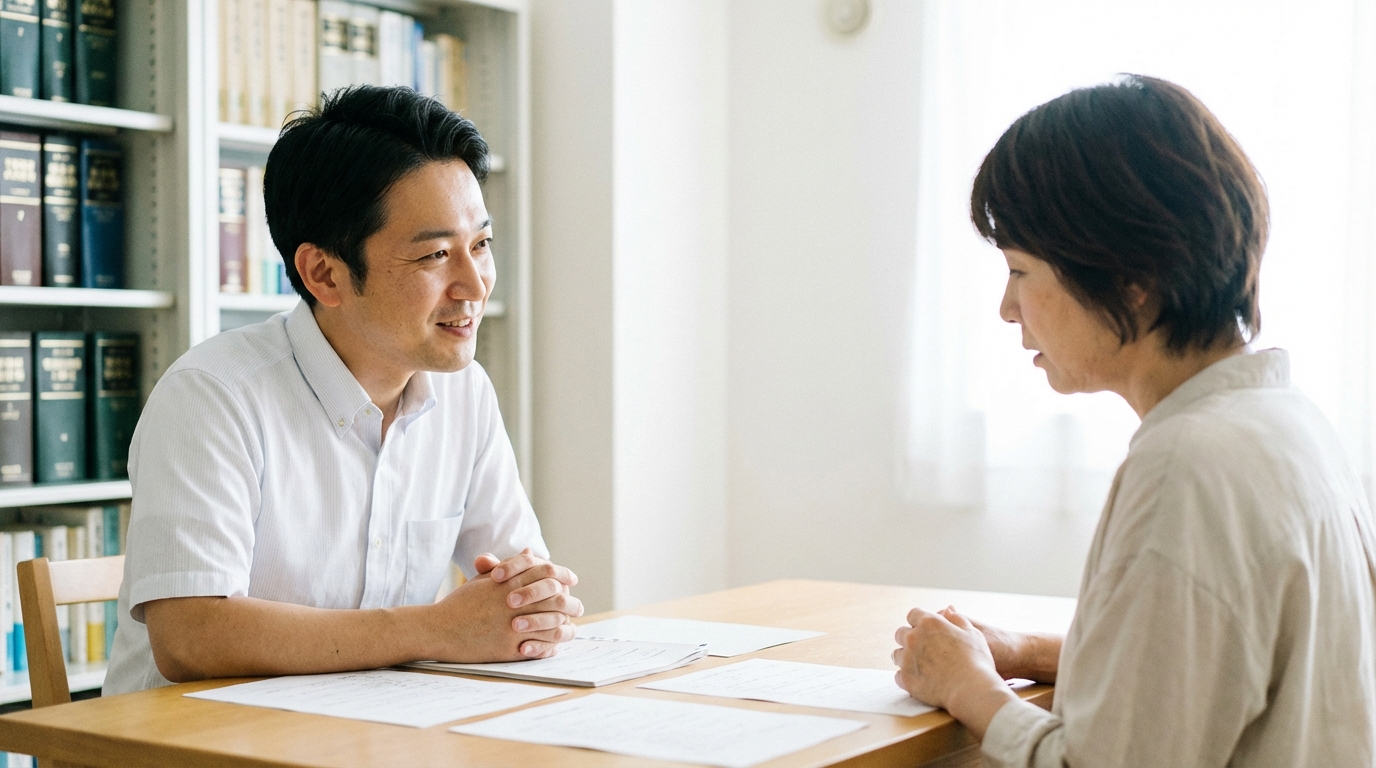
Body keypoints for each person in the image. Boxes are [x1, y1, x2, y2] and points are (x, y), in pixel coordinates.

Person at [892, 75, 1376, 766]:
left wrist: (966, 686)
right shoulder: (1287, 423)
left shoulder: (1189, 464)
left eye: (1021, 271)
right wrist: (1021, 652)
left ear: (1129, 280)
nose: (1007, 308)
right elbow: (1210, 662)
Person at [104, 86, 583, 695]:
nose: (474, 284)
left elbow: (521, 584)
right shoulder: (212, 396)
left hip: (367, 732)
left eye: (481, 245)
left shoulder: (464, 393)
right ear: (324, 273)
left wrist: (535, 601)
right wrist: (436, 629)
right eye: (436, 254)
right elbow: (191, 637)